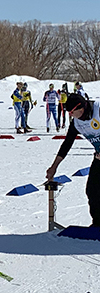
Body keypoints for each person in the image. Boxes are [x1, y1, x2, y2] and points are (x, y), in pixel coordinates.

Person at [46, 93, 100, 227]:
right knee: (92, 190)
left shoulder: (98, 110)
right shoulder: (77, 122)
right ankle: (98, 224)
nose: (70, 115)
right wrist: (54, 167)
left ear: (80, 108)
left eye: (71, 112)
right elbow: (67, 143)